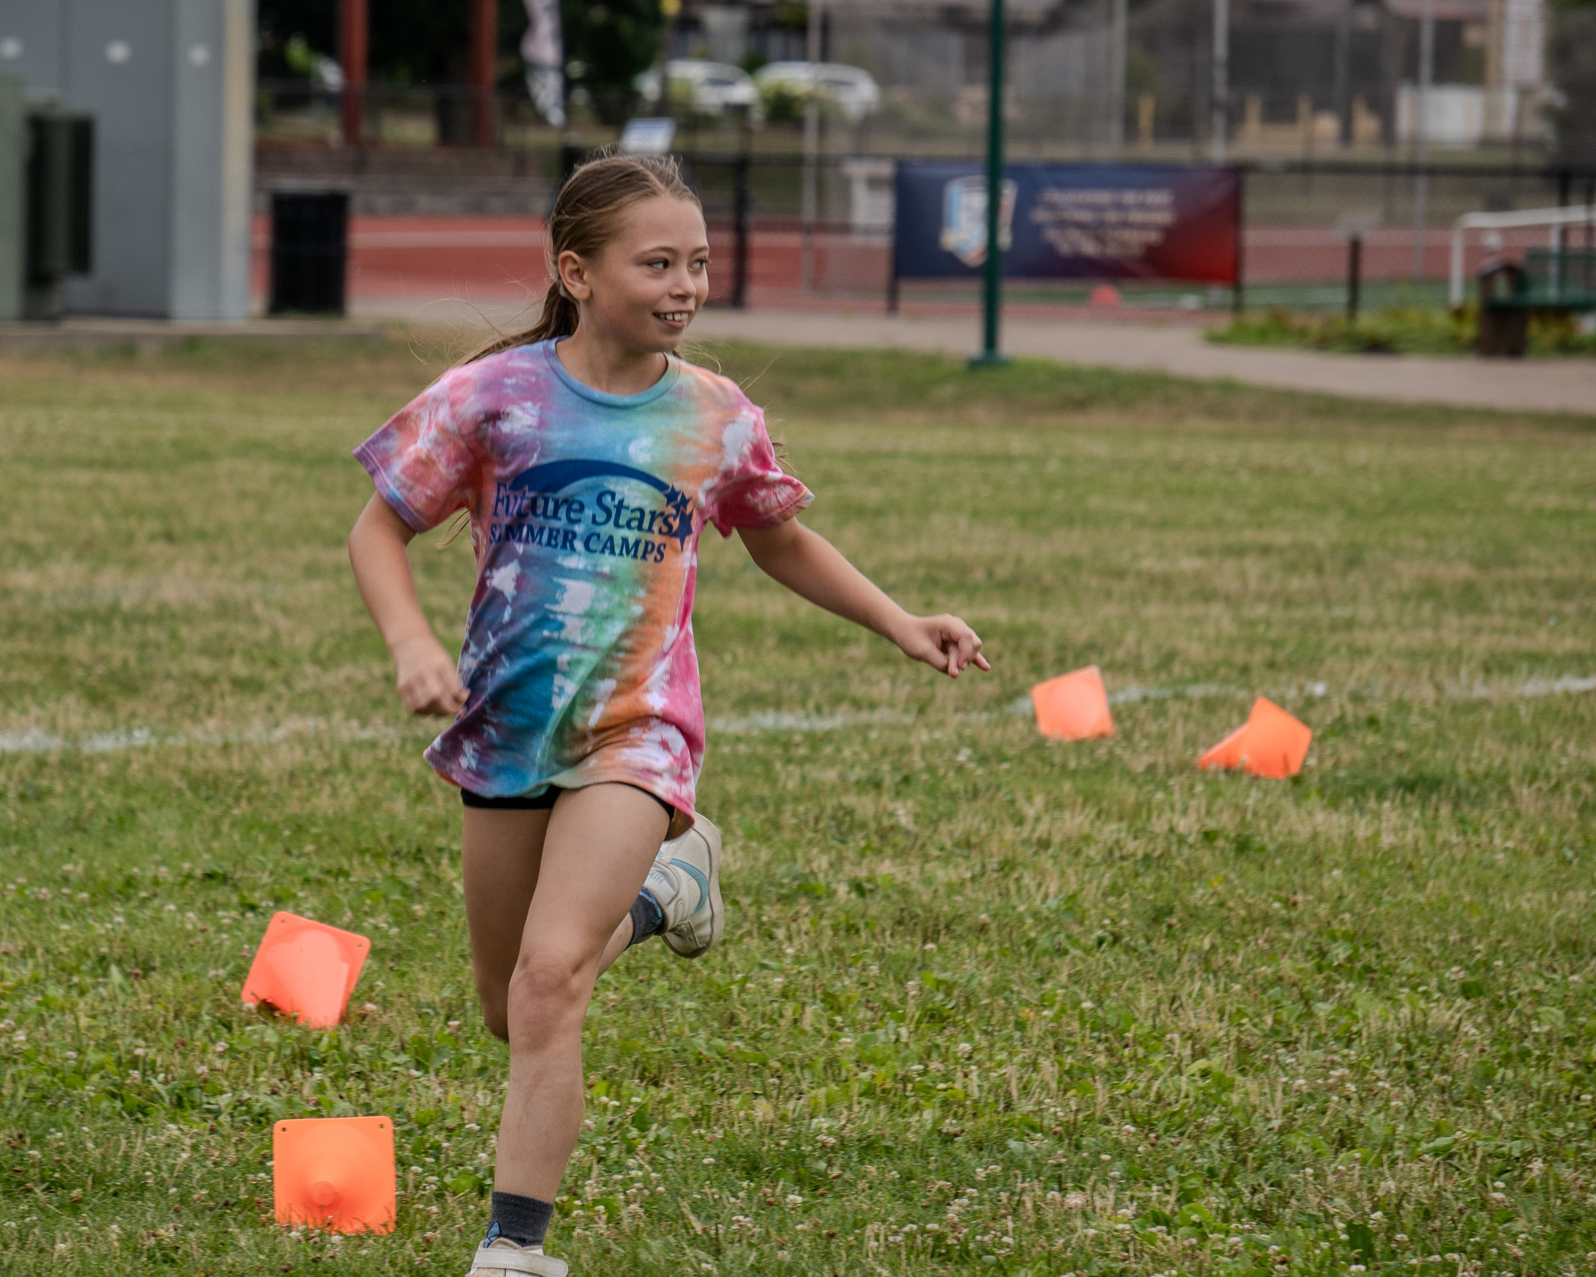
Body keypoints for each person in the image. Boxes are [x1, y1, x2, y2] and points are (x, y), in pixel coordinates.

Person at [346, 153, 989, 1277]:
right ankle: (673, 891)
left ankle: (514, 1249)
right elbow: (378, 528)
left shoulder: (714, 414)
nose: (687, 283)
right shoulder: (494, 398)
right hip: (506, 729)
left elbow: (778, 532)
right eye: (658, 263)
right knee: (510, 1008)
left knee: (554, 978)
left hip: (638, 731)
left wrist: (899, 619)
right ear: (577, 272)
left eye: (697, 261)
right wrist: (409, 644)